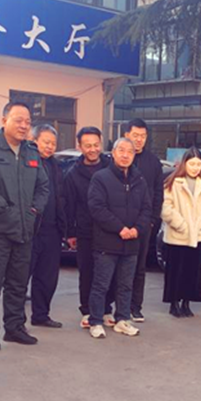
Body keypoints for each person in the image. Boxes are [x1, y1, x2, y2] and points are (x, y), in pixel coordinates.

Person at [0, 102, 49, 352]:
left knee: (18, 284)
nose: (24, 126)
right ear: (4, 120)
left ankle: (14, 328)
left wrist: (33, 210)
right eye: (18, 120)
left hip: (24, 230)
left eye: (28, 122)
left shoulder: (31, 151)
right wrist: (5, 208)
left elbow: (43, 187)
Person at [86, 138, 152, 339]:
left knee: (126, 285)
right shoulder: (101, 178)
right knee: (101, 285)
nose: (125, 155)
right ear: (113, 153)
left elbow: (146, 209)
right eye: (121, 150)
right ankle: (96, 321)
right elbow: (97, 208)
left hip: (131, 242)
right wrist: (120, 228)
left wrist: (136, 230)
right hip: (107, 242)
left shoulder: (139, 180)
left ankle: (122, 319)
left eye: (129, 152)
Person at [63, 126, 116, 329]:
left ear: (101, 144)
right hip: (85, 231)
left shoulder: (112, 167)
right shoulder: (73, 174)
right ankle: (86, 310)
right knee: (87, 272)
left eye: (96, 145)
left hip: (110, 229)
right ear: (80, 147)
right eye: (88, 146)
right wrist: (70, 233)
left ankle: (106, 309)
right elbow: (69, 205)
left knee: (109, 272)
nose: (93, 149)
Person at [161, 148, 201, 318]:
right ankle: (174, 303)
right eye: (192, 164)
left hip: (197, 235)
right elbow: (166, 208)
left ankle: (186, 302)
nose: (195, 168)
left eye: (199, 164)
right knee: (176, 271)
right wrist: (181, 225)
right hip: (177, 236)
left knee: (193, 271)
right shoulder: (172, 183)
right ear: (184, 164)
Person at [122, 118, 163, 323]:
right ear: (126, 135)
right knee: (116, 266)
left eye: (143, 136)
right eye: (135, 135)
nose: (139, 140)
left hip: (144, 224)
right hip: (119, 224)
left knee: (139, 267)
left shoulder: (153, 162)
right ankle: (115, 306)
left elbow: (158, 194)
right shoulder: (118, 158)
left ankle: (135, 307)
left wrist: (152, 221)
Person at [28, 124, 67, 328]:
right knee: (20, 277)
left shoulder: (56, 166)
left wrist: (64, 227)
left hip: (52, 230)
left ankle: (41, 315)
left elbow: (61, 197)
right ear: (34, 141)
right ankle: (15, 322)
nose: (50, 146)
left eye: (53, 143)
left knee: (47, 277)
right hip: (30, 230)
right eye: (46, 142)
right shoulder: (26, 162)